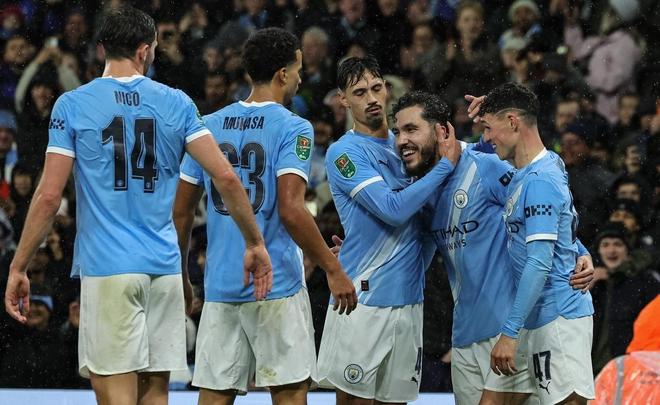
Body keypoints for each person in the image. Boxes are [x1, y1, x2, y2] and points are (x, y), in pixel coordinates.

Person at [4, 6, 272, 405]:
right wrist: (254, 242)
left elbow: (48, 197)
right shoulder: (177, 103)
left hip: (109, 269)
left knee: (114, 395)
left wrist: (19, 265)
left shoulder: (73, 105)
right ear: (145, 50)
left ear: (101, 49)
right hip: (163, 270)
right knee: (155, 394)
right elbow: (228, 178)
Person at [173, 27, 357, 405]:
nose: (301, 78)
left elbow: (181, 212)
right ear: (282, 74)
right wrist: (332, 268)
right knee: (289, 394)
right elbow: (292, 209)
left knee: (215, 397)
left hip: (222, 283)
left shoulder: (208, 124)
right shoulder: (293, 127)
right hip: (277, 284)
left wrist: (183, 276)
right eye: (298, 69)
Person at [391, 90, 594, 405]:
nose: (402, 140)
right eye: (397, 132)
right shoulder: (420, 191)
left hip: (509, 327)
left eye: (411, 129)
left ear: (442, 131)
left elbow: (544, 210)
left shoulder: (487, 166)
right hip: (463, 335)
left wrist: (578, 251)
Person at [317, 56, 462, 405]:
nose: (371, 98)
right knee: (354, 401)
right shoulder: (344, 153)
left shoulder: (407, 147)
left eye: (376, 88)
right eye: (359, 92)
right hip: (363, 299)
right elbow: (393, 210)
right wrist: (445, 166)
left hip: (409, 300)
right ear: (343, 99)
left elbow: (427, 223)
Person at [471, 83, 595, 404]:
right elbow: (564, 223)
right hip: (532, 314)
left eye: (489, 128)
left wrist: (510, 332)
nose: (487, 137)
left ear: (513, 122)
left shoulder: (540, 181)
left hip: (558, 319)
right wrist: (582, 252)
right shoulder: (545, 165)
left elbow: (539, 262)